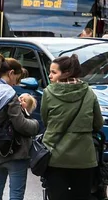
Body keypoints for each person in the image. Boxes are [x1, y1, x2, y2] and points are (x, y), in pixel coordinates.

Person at [0, 54, 39, 200]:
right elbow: (20, 125)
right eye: (17, 78)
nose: (16, 83)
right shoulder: (9, 94)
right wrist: (35, 125)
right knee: (16, 195)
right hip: (13, 152)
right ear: (10, 73)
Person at [41, 54, 103, 200]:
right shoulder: (89, 92)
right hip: (84, 158)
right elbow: (98, 123)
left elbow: (46, 121)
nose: (49, 75)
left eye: (53, 72)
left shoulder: (48, 93)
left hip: (55, 156)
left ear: (66, 73)